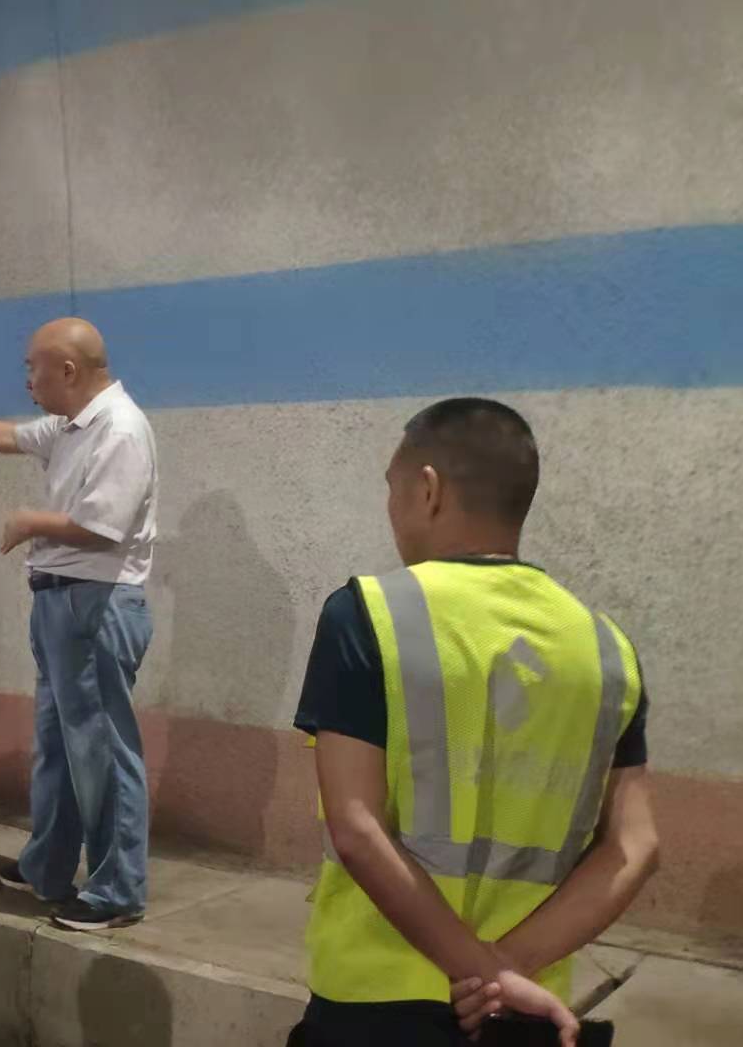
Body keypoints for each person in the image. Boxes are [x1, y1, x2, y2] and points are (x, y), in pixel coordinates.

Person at [288, 398, 657, 1047]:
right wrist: (507, 969)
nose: (390, 509)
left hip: (375, 999)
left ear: (428, 490)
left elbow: (357, 827)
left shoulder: (368, 616)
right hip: (525, 1007)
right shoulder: (607, 649)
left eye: (393, 489)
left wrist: (482, 972)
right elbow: (635, 847)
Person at [0, 316, 158, 932]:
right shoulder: (72, 423)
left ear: (67, 370)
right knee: (59, 748)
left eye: (31, 368)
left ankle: (117, 890)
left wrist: (29, 521)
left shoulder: (120, 429)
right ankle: (48, 864)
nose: (26, 380)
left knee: (101, 752)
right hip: (61, 603)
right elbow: (11, 436)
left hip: (96, 605)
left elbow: (104, 526)